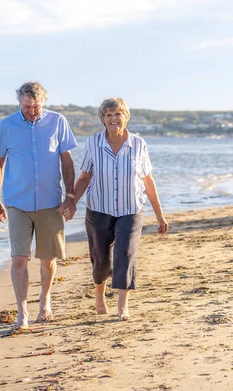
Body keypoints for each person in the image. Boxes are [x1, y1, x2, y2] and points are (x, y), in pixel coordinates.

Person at [62, 97, 168, 321]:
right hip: (99, 208)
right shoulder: (94, 143)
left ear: (125, 117)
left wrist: (159, 214)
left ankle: (123, 305)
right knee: (101, 260)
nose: (113, 119)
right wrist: (71, 201)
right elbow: (85, 176)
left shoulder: (139, 144)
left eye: (118, 114)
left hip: (131, 209)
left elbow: (148, 180)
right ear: (103, 118)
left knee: (125, 255)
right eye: (108, 115)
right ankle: (99, 295)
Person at [0, 81, 78, 329]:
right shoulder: (7, 125)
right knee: (19, 259)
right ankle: (22, 313)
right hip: (17, 202)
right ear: (19, 102)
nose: (32, 111)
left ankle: (45, 300)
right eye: (27, 106)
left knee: (48, 259)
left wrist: (70, 197)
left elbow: (67, 161)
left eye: (36, 106)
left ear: (43, 102)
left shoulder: (57, 121)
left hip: (50, 202)